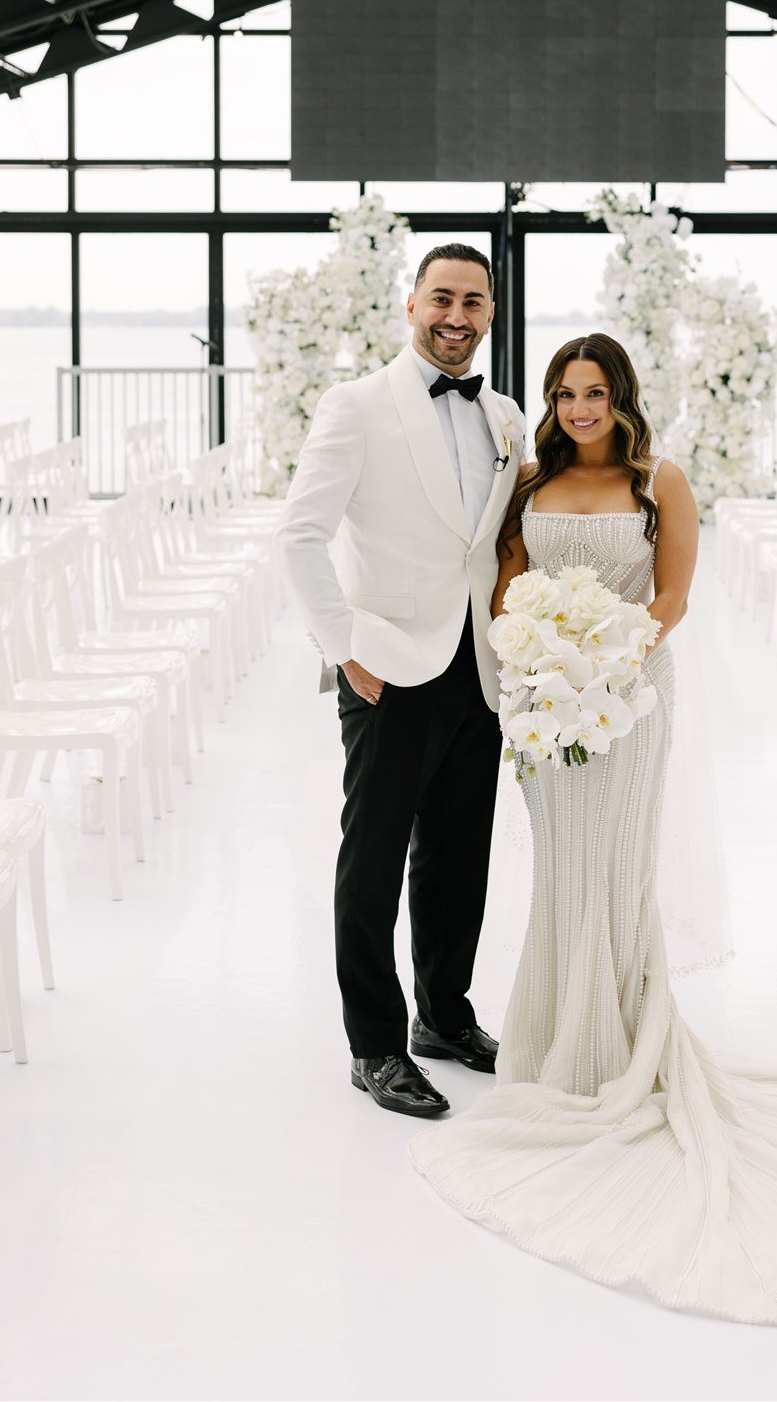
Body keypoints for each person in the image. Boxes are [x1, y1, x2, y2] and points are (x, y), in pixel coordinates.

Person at [410, 332, 777, 1325]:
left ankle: (617, 1050)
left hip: (624, 698)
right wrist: (535, 662)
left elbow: (672, 597)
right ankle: (557, 1046)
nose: (576, 408)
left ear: (620, 397)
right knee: (562, 870)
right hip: (540, 702)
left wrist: (601, 660)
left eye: (592, 391)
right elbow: (503, 586)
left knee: (614, 867)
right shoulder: (526, 480)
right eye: (563, 392)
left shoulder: (662, 479)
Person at [277, 244, 525, 1119]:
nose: (458, 316)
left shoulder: (505, 416)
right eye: (442, 298)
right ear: (411, 304)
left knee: (460, 860)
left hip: (477, 669)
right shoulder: (356, 406)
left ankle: (444, 1019)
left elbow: (493, 545)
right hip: (386, 666)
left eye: (474, 301)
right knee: (373, 863)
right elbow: (299, 534)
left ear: (491, 312)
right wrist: (344, 647)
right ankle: (375, 1044)